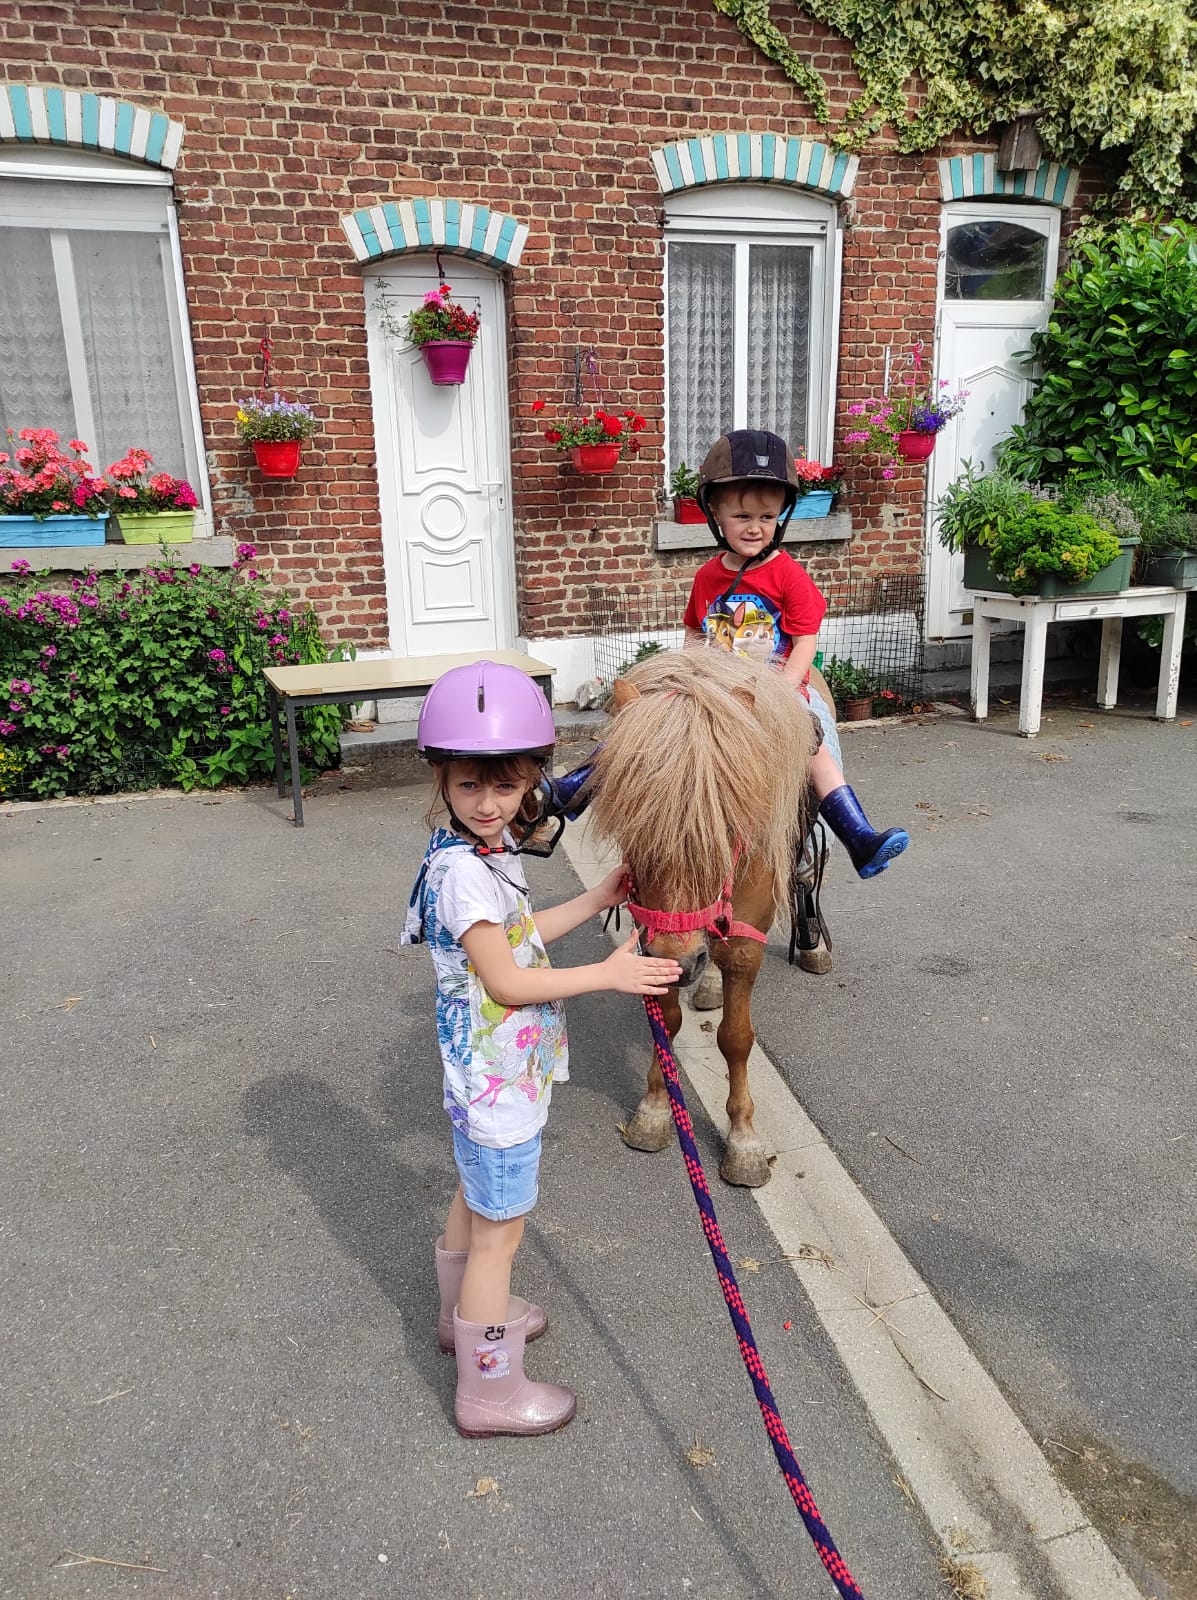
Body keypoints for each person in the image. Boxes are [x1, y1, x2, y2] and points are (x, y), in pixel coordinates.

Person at [400, 659, 681, 1439]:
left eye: (506, 785)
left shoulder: (480, 853)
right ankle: (488, 1388)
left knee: (475, 1195)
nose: (488, 803)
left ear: (531, 779)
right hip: (496, 1079)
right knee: (501, 1234)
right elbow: (506, 980)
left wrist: (593, 900)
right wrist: (609, 974)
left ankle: (460, 1318)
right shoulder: (465, 874)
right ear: (441, 778)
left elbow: (516, 937)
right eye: (469, 785)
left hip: (486, 1074)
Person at [683, 428, 909, 880]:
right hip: (719, 688)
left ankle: (858, 835)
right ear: (716, 514)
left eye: (767, 517)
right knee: (657, 725)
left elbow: (805, 639)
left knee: (812, 745)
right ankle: (581, 788)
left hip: (778, 686)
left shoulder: (788, 575)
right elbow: (694, 630)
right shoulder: (707, 576)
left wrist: (785, 691)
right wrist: (690, 672)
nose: (755, 527)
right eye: (742, 515)